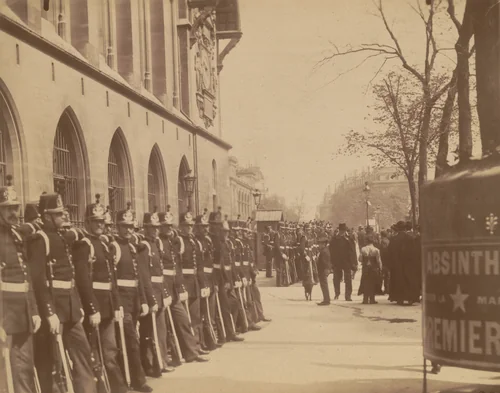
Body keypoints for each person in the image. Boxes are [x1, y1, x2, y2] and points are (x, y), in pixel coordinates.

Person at [28, 193, 98, 393]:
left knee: (82, 353)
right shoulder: (39, 240)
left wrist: (77, 304)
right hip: (55, 309)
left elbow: (70, 276)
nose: (63, 217)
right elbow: (39, 280)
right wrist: (48, 312)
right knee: (54, 362)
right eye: (58, 214)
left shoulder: (61, 236)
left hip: (71, 307)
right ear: (47, 216)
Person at [72, 194, 129, 393]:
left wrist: (118, 303)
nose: (99, 225)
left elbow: (111, 279)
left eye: (101, 222)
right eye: (95, 222)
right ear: (87, 222)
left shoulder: (104, 244)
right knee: (93, 353)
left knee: (110, 351)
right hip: (94, 306)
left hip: (108, 305)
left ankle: (118, 388)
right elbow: (83, 281)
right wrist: (91, 308)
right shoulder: (83, 245)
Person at [0, 175, 40, 393]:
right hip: (5, 315)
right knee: (3, 374)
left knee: (24, 367)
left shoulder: (17, 235)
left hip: (22, 312)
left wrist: (33, 310)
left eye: (15, 208)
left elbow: (27, 278)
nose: (13, 213)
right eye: (7, 209)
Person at [107, 202, 152, 392]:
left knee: (130, 340)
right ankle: (137, 381)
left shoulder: (133, 247)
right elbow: (113, 280)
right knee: (130, 342)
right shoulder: (113, 247)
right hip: (122, 303)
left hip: (133, 301)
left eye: (130, 227)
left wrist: (142, 300)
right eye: (124, 226)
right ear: (117, 227)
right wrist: (117, 305)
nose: (127, 230)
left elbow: (138, 277)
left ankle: (131, 378)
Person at [158, 207, 210, 364]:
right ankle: (171, 355)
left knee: (184, 320)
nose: (168, 228)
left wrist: (180, 288)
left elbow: (177, 267)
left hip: (176, 287)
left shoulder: (172, 241)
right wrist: (166, 291)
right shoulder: (160, 242)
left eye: (170, 225)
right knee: (165, 326)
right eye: (165, 226)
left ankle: (191, 352)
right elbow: (158, 270)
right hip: (163, 288)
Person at [136, 210, 174, 376]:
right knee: (147, 331)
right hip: (150, 292)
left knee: (160, 329)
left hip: (159, 291)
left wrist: (165, 293)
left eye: (157, 228)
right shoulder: (143, 246)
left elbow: (161, 273)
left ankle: (162, 360)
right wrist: (150, 299)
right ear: (145, 228)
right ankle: (150, 363)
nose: (155, 230)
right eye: (151, 228)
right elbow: (144, 276)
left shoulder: (156, 244)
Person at [329, 223, 357, 301]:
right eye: (341, 231)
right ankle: (337, 294)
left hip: (346, 262)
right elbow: (331, 251)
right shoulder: (334, 239)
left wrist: (354, 262)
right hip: (337, 262)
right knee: (336, 279)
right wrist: (331, 262)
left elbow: (353, 251)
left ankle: (347, 295)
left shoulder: (349, 239)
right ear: (339, 230)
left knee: (347, 279)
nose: (342, 232)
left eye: (343, 231)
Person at [358, 234, 382, 304]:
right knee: (372, 283)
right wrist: (380, 268)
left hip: (365, 268)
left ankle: (365, 299)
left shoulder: (363, 249)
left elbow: (360, 259)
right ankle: (372, 299)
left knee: (365, 282)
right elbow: (378, 260)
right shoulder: (376, 250)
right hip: (373, 268)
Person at [316, 236, 331, 306]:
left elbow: (325, 262)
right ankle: (326, 299)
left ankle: (326, 300)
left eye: (321, 244)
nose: (319, 245)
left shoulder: (324, 252)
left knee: (324, 285)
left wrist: (327, 269)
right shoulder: (325, 250)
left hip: (323, 270)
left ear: (324, 244)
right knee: (324, 285)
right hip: (323, 270)